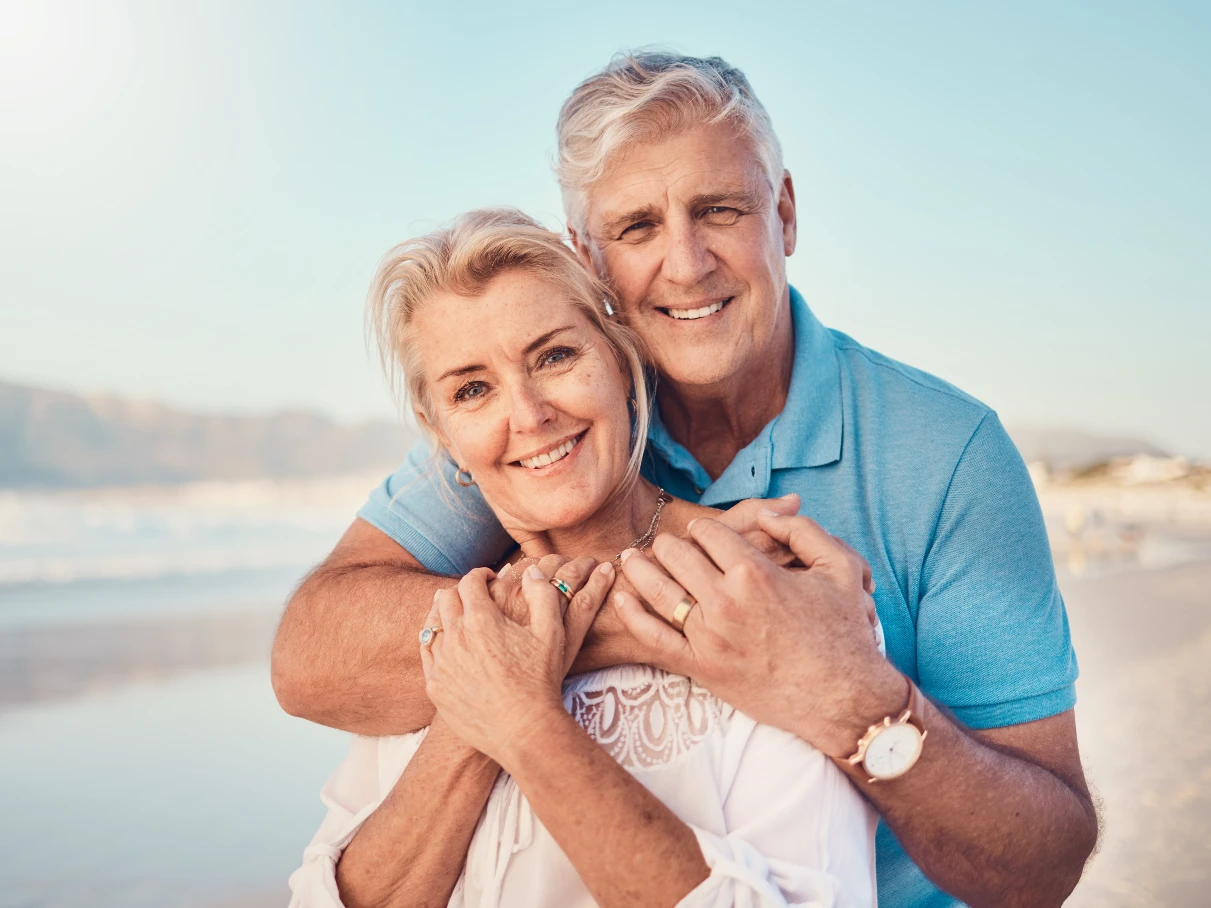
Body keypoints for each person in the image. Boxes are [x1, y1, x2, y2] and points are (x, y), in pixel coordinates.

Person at [273, 52, 1098, 907]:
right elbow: (310, 656)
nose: (686, 262)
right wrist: (639, 621)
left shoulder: (942, 452)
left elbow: (1041, 869)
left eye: (719, 209)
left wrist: (844, 695)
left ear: (782, 212)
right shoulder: (539, 428)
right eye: (635, 228)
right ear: (586, 256)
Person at [288, 209, 879, 907]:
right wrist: (479, 704)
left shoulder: (764, 591)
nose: (529, 414)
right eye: (472, 390)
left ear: (622, 363)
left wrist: (522, 724)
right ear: (440, 433)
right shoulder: (451, 622)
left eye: (554, 357)